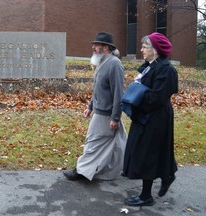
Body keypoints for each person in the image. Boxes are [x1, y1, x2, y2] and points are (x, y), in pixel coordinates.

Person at [122, 32, 178, 206]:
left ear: (156, 50)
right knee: (150, 150)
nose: (141, 50)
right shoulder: (150, 66)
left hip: (156, 118)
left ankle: (146, 196)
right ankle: (168, 175)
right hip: (146, 115)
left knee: (149, 152)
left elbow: (156, 98)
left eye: (145, 47)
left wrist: (134, 97)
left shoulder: (167, 70)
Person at [63, 32, 127, 181]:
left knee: (93, 142)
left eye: (96, 45)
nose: (93, 47)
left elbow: (118, 93)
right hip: (99, 111)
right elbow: (98, 89)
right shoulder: (101, 63)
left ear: (105, 47)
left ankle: (81, 171)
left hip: (106, 114)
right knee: (117, 143)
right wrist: (90, 106)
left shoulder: (115, 64)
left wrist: (115, 117)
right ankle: (127, 167)